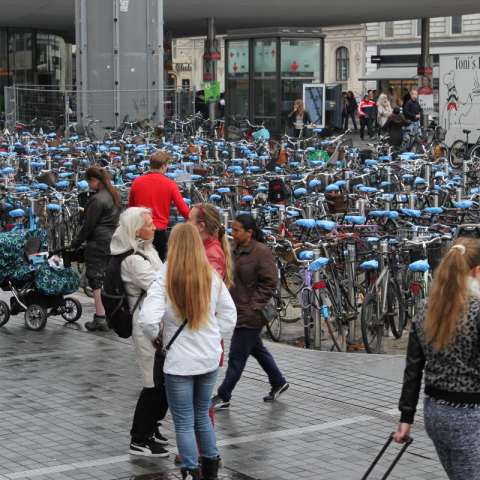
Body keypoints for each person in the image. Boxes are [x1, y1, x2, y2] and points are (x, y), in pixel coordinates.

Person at [140, 223, 237, 480]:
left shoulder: (166, 275)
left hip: (180, 360)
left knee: (183, 421)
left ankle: (191, 471)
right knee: (202, 415)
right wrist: (214, 338)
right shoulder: (210, 275)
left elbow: (147, 319)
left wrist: (158, 339)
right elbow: (229, 315)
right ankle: (211, 469)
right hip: (208, 358)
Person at [394, 238, 480, 480]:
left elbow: (413, 369)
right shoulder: (477, 311)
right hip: (470, 416)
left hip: (435, 413)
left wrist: (406, 418)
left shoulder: (426, 307)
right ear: (477, 271)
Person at [212, 214, 289, 410]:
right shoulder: (234, 249)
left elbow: (270, 282)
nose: (233, 233)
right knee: (257, 348)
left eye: (237, 230)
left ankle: (224, 394)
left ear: (249, 232)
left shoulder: (261, 252)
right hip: (238, 308)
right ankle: (278, 381)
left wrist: (254, 304)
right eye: (232, 229)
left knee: (237, 357)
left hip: (250, 313)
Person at [109, 207, 169, 457]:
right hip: (145, 327)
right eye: (149, 223)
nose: (154, 226)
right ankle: (139, 439)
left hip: (156, 325)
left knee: (163, 381)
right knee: (152, 383)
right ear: (136, 231)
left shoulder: (147, 250)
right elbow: (160, 287)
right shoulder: (133, 259)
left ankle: (152, 427)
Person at [71, 166, 120, 331]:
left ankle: (100, 316)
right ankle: (112, 315)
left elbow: (88, 225)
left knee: (95, 278)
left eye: (89, 181)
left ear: (95, 180)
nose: (88, 184)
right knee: (107, 278)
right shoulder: (113, 195)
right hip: (111, 240)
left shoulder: (97, 199)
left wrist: (76, 242)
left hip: (98, 242)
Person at [128, 150, 190, 261]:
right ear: (164, 166)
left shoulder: (137, 182)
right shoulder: (170, 184)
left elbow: (131, 209)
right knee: (158, 267)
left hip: (140, 230)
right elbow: (184, 210)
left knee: (139, 264)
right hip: (159, 231)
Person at [188, 204, 233, 287]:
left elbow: (208, 291)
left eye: (189, 220)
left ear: (201, 226)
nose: (186, 224)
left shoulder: (212, 255)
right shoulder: (202, 247)